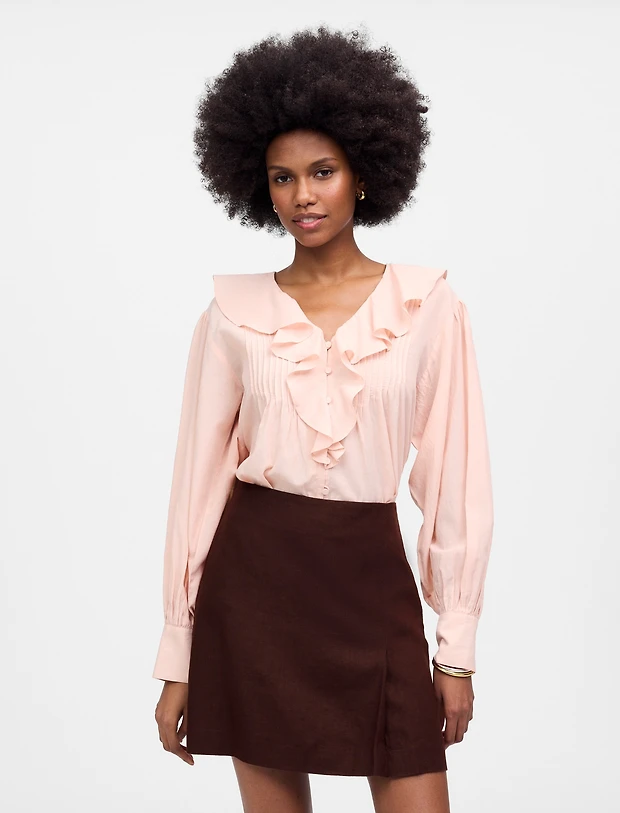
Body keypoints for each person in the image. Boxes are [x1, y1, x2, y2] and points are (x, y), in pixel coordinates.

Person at [152, 24, 494, 813]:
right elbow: (195, 491)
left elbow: (456, 484)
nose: (302, 196)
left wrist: (456, 649)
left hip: (371, 587)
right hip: (254, 595)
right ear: (259, 186)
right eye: (282, 178)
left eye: (322, 172)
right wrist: (177, 654)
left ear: (363, 174)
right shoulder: (233, 316)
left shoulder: (427, 307)